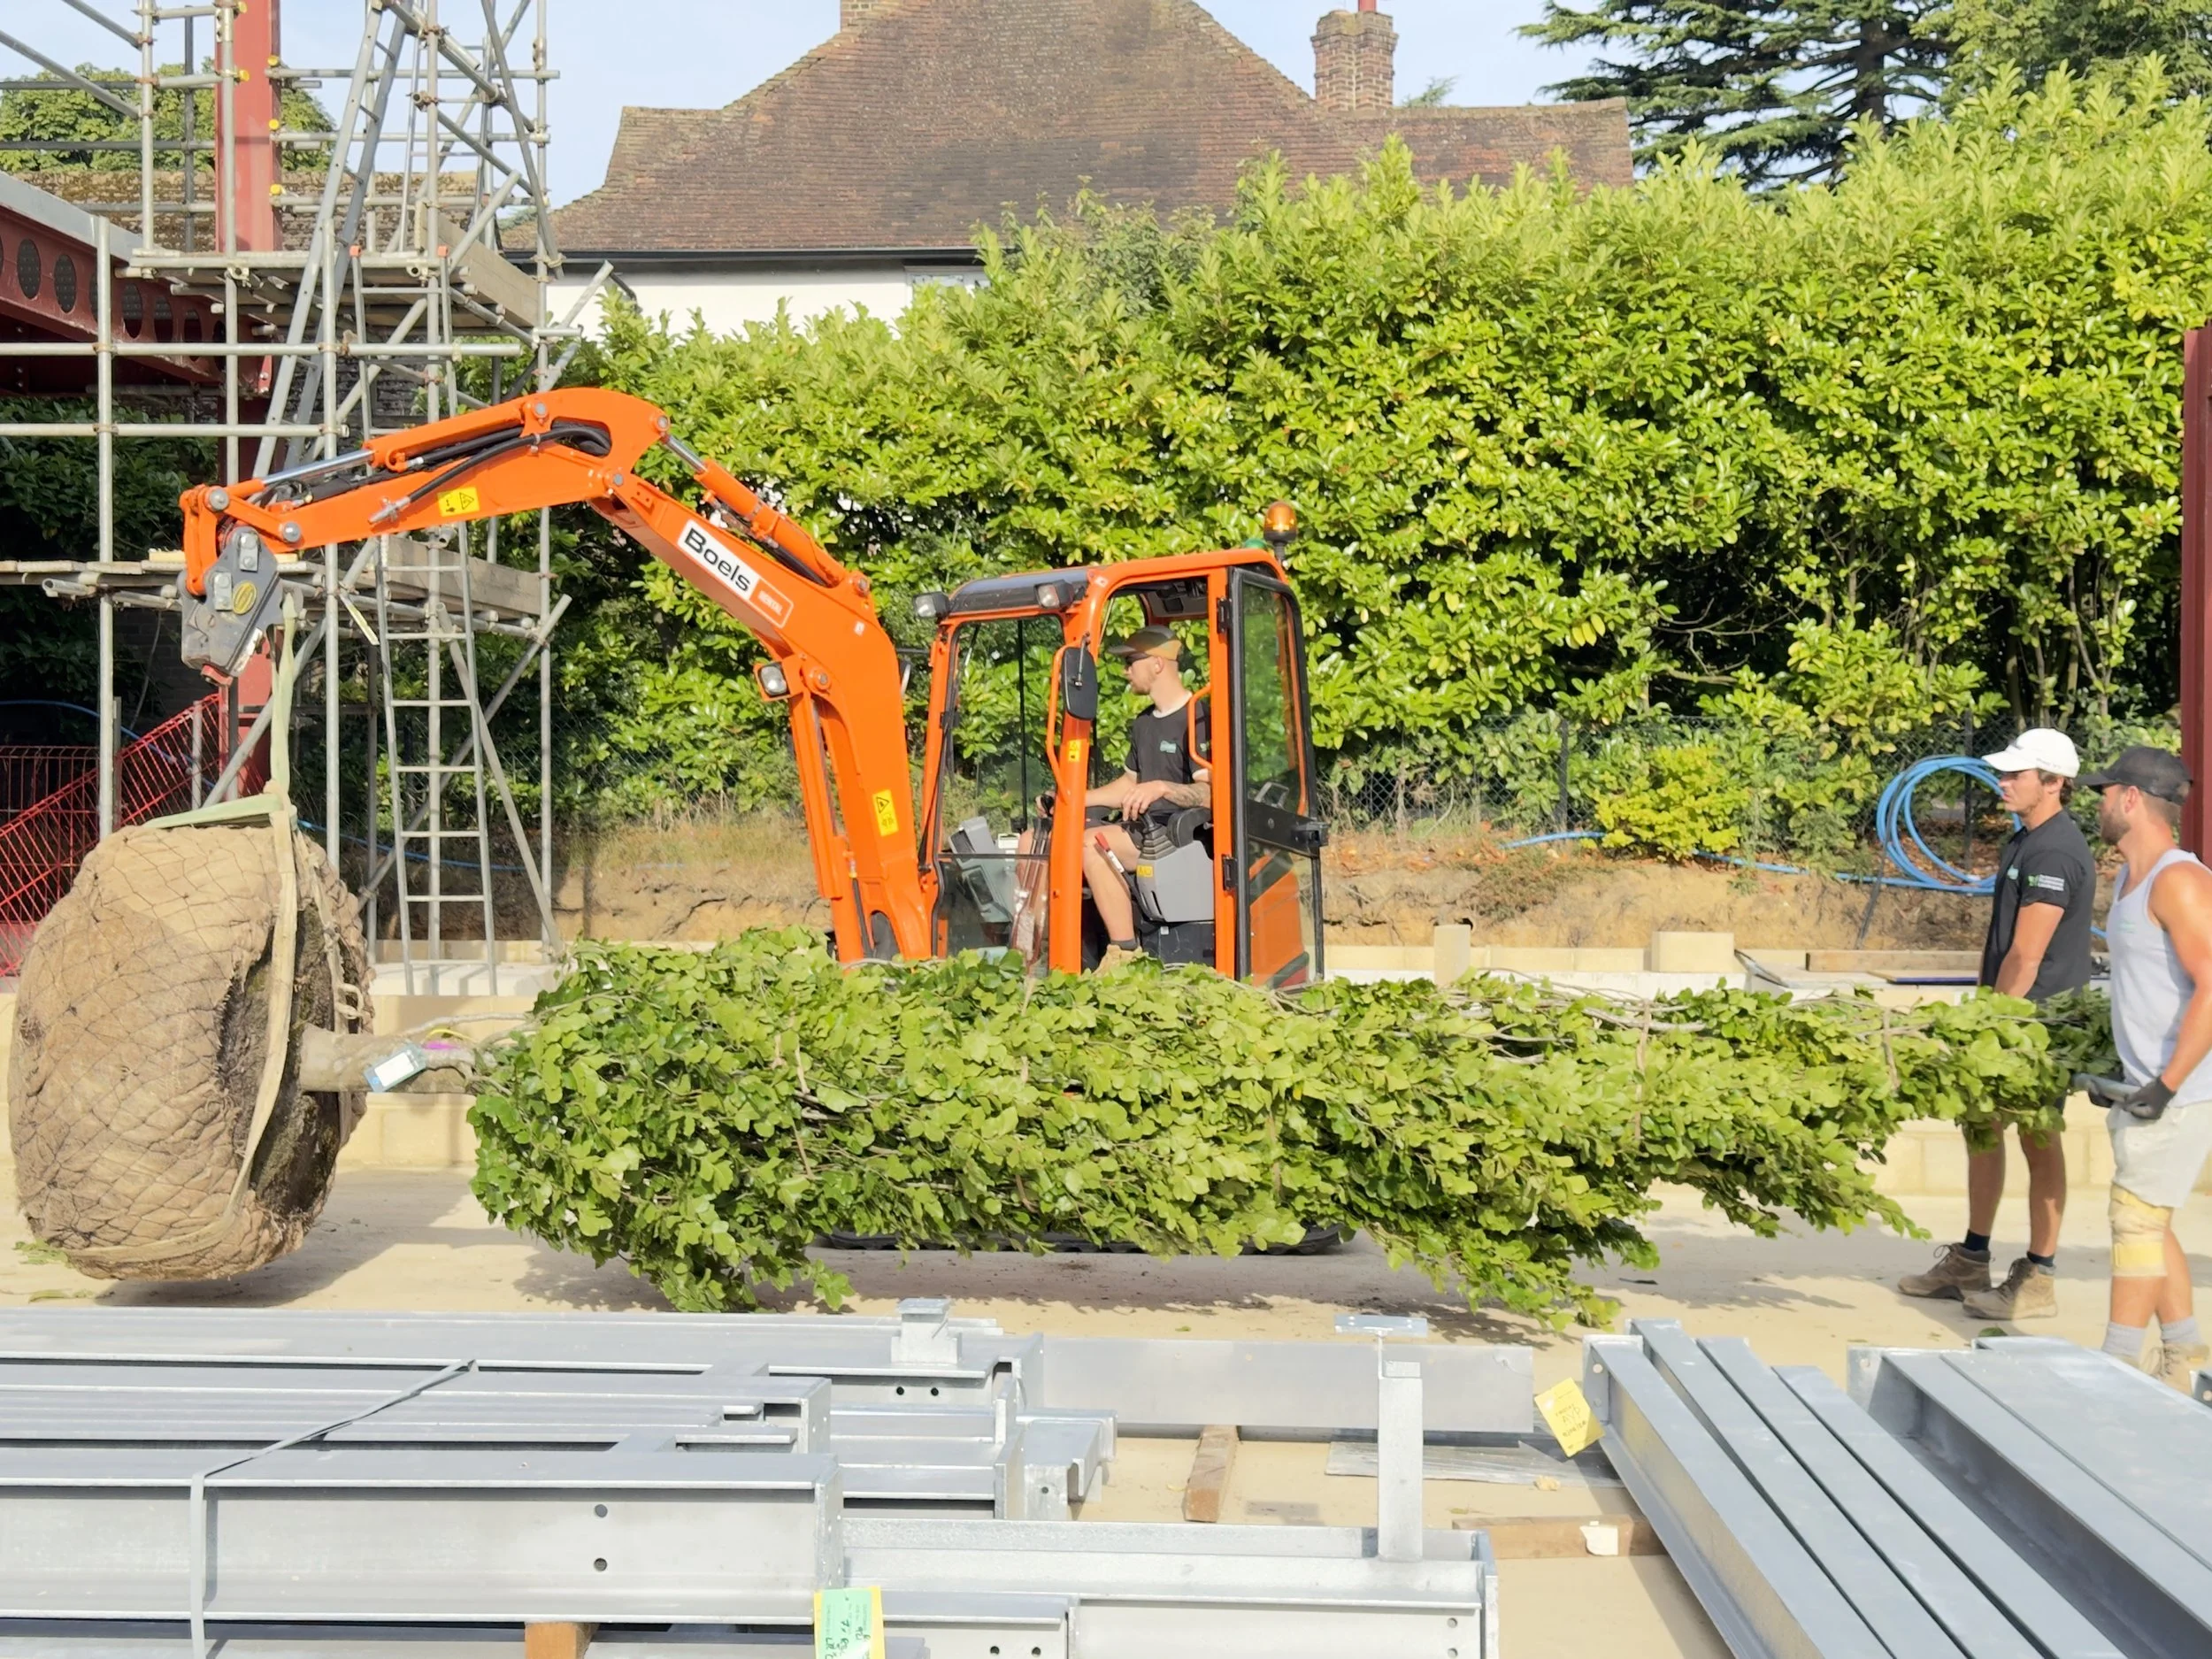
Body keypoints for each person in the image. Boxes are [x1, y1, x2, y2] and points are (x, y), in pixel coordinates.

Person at [1899, 728, 2095, 1319]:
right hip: (2007, 1018)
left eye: (2017, 774)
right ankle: (1971, 1258)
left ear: (2054, 782)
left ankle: (2039, 1273)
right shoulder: (2023, 841)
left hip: (2033, 1026)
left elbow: (2027, 954)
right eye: (2004, 773)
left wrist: (1990, 1023)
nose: (2003, 782)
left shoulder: (2055, 851)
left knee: (2039, 1138)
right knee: (1981, 1129)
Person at [2078, 746, 2212, 1388]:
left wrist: (2167, 1083)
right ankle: (2187, 1359)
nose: (2099, 803)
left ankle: (2117, 1365)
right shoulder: (2130, 879)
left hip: (2180, 1088)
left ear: (2131, 799)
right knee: (2152, 1220)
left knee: (2133, 1218)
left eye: (2105, 793)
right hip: (2147, 1082)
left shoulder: (2177, 879)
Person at [1081, 627, 1210, 970]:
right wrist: (1073, 798)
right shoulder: (1144, 723)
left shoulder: (1198, 717)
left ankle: (1123, 953)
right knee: (1050, 838)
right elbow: (1128, 785)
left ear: (1156, 664)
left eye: (1130, 662)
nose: (1125, 671)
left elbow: (1210, 794)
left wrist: (1163, 788)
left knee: (1091, 843)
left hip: (1181, 838)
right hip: (1144, 830)